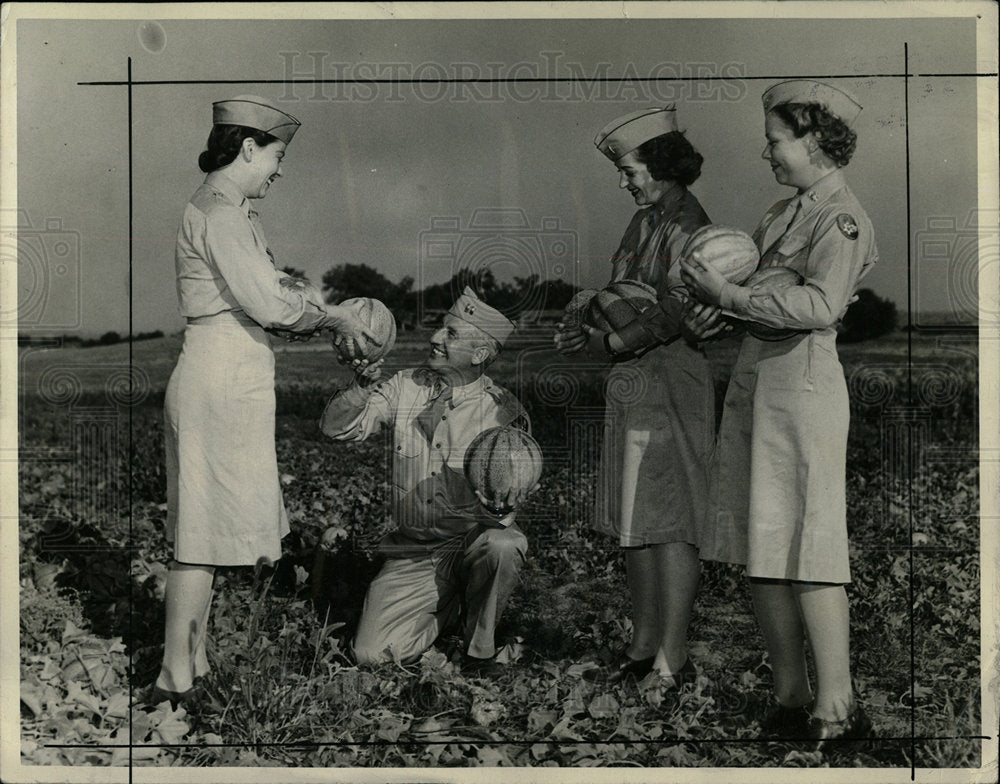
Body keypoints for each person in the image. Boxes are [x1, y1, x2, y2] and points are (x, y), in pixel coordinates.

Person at [154, 95, 375, 706]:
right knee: (198, 537)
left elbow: (273, 288)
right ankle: (175, 678)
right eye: (276, 155)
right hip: (219, 375)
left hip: (232, 374)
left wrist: (310, 303)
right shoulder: (222, 213)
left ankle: (190, 668)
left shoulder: (232, 209)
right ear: (248, 147)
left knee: (209, 534)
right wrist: (332, 317)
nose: (280, 169)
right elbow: (271, 304)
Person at [681, 80, 877, 747]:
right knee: (764, 547)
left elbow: (820, 308)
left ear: (814, 138)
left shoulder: (841, 217)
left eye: (775, 140)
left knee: (811, 549)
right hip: (757, 383)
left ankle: (838, 707)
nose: (766, 152)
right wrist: (718, 310)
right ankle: (790, 699)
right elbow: (753, 299)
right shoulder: (776, 216)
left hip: (804, 392)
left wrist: (732, 295)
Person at [555, 105, 714, 687]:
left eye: (629, 169)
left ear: (660, 163)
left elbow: (676, 313)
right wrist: (583, 322)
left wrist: (610, 340)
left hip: (674, 380)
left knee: (670, 522)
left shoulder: (691, 225)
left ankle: (673, 657)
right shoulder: (643, 221)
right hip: (634, 381)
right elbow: (615, 293)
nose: (624, 181)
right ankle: (643, 644)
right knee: (635, 515)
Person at [320, 288, 531, 674]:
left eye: (450, 334)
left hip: (470, 543)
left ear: (480, 354)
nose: (435, 338)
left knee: (504, 544)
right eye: (440, 328)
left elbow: (514, 492)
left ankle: (478, 647)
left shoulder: (504, 412)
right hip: (413, 551)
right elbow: (338, 430)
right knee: (371, 654)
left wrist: (501, 505)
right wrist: (358, 390)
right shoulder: (405, 385)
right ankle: (446, 610)